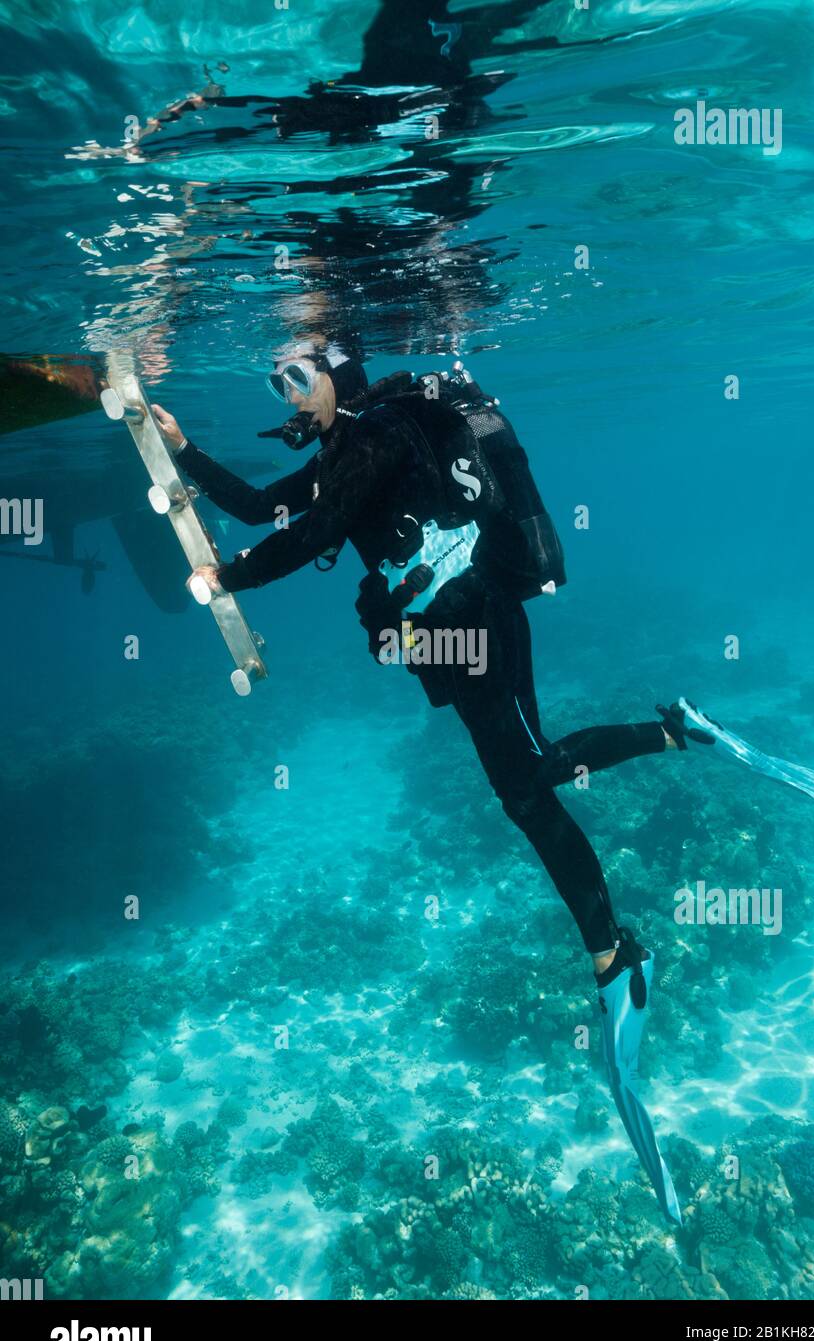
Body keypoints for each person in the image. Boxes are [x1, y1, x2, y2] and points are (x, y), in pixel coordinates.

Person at [151, 340, 709, 1223]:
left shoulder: (376, 436)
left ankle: (619, 947)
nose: (287, 394)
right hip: (448, 630)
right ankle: (670, 755)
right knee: (529, 781)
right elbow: (266, 504)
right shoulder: (345, 452)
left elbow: (314, 536)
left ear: (339, 374)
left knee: (532, 781)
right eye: (278, 381)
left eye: (297, 376)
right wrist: (183, 452)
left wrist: (231, 575)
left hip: (478, 619)